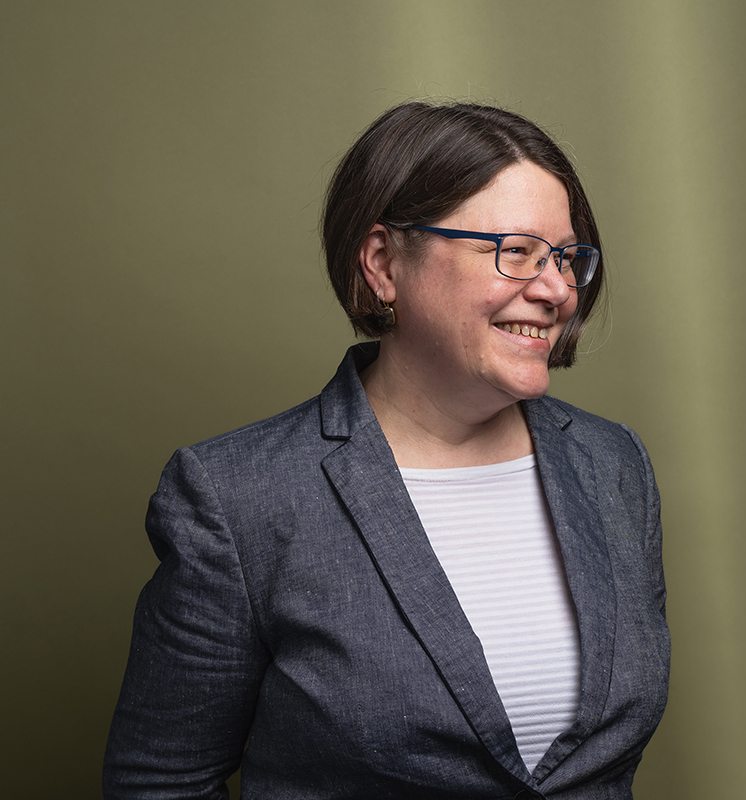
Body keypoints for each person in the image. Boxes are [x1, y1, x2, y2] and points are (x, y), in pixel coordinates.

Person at [104, 101, 669, 800]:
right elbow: (160, 782)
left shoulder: (614, 465)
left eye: (564, 256)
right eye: (516, 251)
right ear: (382, 264)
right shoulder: (236, 497)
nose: (556, 288)